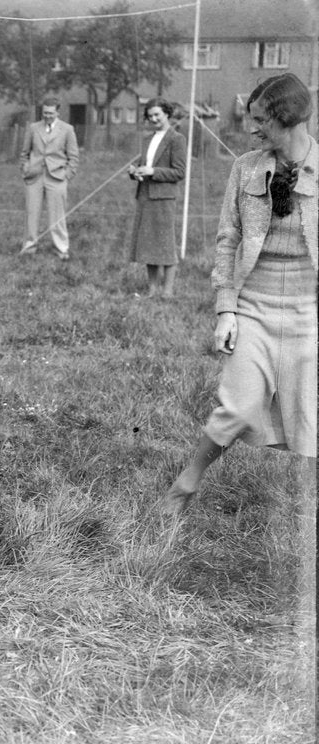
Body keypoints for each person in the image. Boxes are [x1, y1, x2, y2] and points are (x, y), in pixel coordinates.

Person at [162, 72, 317, 517]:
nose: (252, 129)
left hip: (310, 313)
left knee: (310, 417)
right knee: (239, 406)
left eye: (260, 120)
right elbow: (228, 240)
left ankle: (304, 515)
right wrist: (225, 309)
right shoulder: (246, 166)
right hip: (253, 307)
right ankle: (186, 483)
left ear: (287, 119)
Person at [127, 98, 187, 298]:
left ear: (167, 114)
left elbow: (179, 172)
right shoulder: (147, 139)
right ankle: (152, 291)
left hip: (164, 198)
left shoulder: (176, 139)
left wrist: (153, 171)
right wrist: (134, 171)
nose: (153, 119)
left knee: (165, 244)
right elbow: (143, 163)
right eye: (150, 116)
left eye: (157, 115)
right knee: (148, 244)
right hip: (145, 194)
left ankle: (167, 292)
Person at [18, 96, 80, 261]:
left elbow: (73, 157)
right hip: (35, 176)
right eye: (45, 113)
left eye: (51, 113)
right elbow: (24, 153)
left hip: (57, 177)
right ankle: (29, 247)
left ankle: (61, 249)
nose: (47, 116)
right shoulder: (33, 128)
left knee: (57, 215)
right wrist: (25, 169)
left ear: (58, 112)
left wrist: (67, 175)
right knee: (31, 214)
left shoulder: (67, 130)